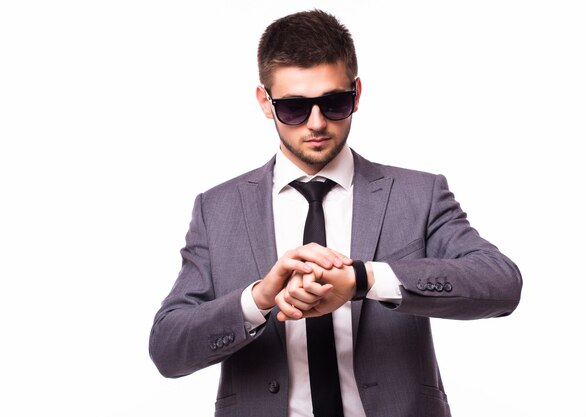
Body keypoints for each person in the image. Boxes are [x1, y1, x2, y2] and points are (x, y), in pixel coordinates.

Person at [149, 9, 522, 417]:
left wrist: (364, 279)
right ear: (265, 102)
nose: (316, 123)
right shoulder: (217, 210)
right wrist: (259, 299)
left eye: (334, 103)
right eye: (293, 107)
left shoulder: (419, 194)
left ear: (357, 94)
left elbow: (501, 284)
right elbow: (168, 348)